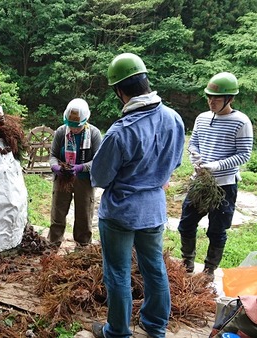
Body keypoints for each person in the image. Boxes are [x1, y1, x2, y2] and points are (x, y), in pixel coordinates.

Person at [90, 53, 185, 338]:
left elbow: (100, 177)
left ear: (120, 91)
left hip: (121, 212)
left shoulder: (120, 132)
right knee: (154, 267)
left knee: (118, 272)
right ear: (146, 82)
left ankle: (118, 331)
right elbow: (174, 163)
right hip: (154, 209)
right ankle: (156, 327)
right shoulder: (174, 119)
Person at [178, 72, 253, 277]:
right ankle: (187, 264)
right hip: (200, 182)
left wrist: (216, 166)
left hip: (225, 185)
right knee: (186, 223)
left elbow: (244, 154)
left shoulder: (241, 122)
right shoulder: (202, 118)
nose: (211, 101)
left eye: (216, 98)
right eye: (209, 97)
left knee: (217, 229)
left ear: (229, 98)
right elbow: (193, 143)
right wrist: (195, 157)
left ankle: (209, 270)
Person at [48, 98, 102, 248]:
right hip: (62, 178)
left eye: (77, 127)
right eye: (70, 126)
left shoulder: (94, 134)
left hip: (84, 181)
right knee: (58, 213)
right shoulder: (60, 132)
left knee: (83, 216)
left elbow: (98, 161)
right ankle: (52, 245)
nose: (73, 129)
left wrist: (81, 167)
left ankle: (82, 247)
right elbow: (52, 155)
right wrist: (55, 167)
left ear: (86, 120)